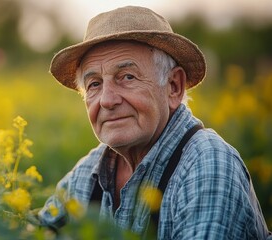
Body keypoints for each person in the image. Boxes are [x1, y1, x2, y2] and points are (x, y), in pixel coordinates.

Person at [36, 5, 271, 239]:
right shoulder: (89, 172)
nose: (107, 100)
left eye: (127, 77)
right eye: (94, 84)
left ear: (173, 86)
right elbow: (31, 231)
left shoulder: (208, 163)